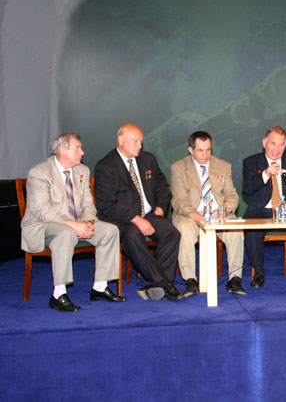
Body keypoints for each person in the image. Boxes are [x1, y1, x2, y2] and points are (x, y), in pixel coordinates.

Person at [21, 132, 125, 312]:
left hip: (76, 224)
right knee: (65, 233)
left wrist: (88, 221)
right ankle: (58, 294)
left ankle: (100, 288)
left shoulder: (82, 171)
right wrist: (72, 224)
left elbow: (88, 204)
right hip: (43, 226)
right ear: (62, 150)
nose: (82, 152)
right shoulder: (39, 172)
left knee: (110, 230)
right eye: (78, 148)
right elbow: (41, 210)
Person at [94, 123, 183, 301]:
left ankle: (158, 284)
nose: (139, 146)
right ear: (120, 140)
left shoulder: (148, 159)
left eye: (141, 141)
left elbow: (162, 185)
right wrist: (135, 219)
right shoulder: (106, 166)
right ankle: (165, 283)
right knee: (132, 235)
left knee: (171, 233)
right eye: (135, 141)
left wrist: (160, 205)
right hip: (121, 219)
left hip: (148, 214)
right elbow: (107, 204)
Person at [170, 131, 245, 296]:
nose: (205, 155)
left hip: (219, 213)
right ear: (190, 150)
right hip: (190, 214)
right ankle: (190, 280)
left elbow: (232, 195)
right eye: (200, 150)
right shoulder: (178, 168)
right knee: (184, 230)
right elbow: (179, 200)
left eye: (208, 150)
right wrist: (196, 216)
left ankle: (235, 278)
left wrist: (224, 210)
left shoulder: (223, 166)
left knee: (236, 230)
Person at [242, 126, 286, 288]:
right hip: (261, 211)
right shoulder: (251, 162)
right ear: (264, 143)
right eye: (273, 143)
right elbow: (247, 188)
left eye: (281, 144)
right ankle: (258, 272)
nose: (277, 149)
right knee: (252, 228)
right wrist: (266, 174)